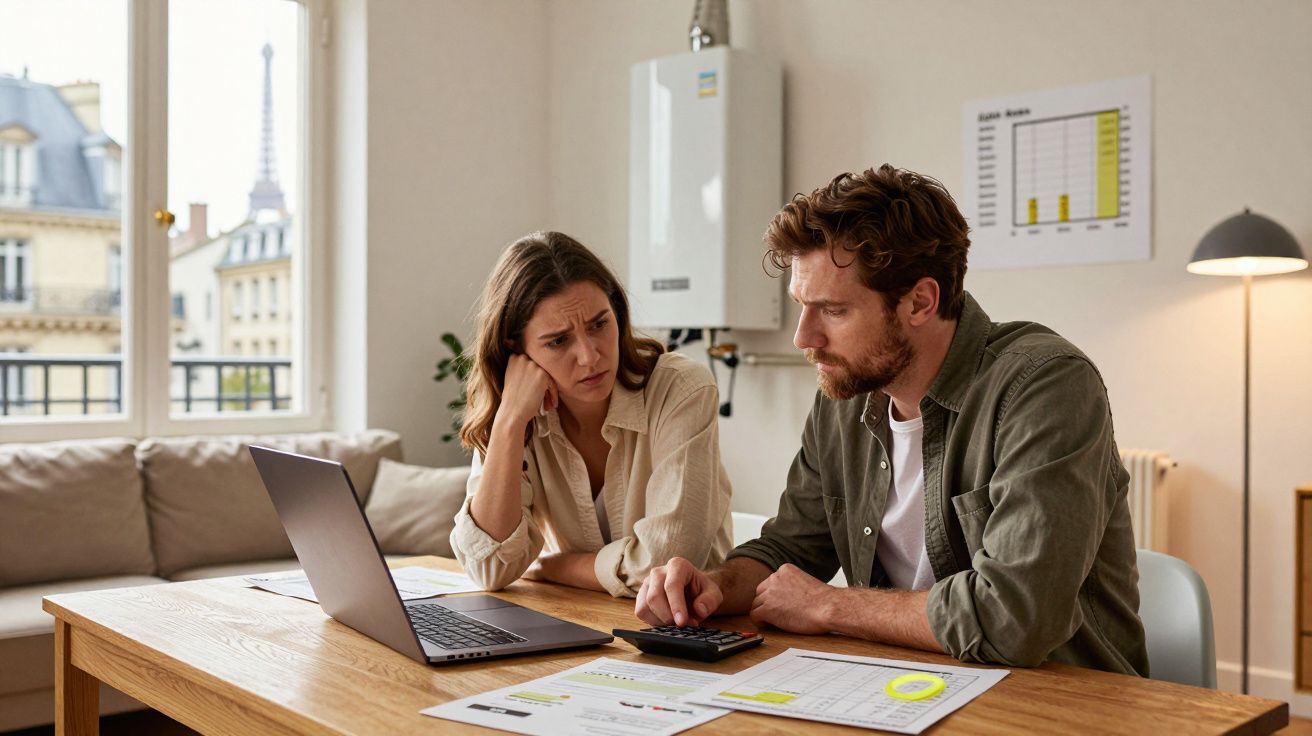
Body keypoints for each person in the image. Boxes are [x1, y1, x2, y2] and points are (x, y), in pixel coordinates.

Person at [635, 165, 1148, 675]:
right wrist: (715, 586)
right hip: (906, 685)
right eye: (802, 306)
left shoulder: (1043, 386)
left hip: (1061, 701)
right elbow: (792, 546)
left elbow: (1016, 617)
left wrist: (830, 605)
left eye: (833, 311)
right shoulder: (846, 392)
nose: (803, 338)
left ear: (920, 302)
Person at [450, 231, 734, 598]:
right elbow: (488, 568)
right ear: (516, 349)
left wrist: (555, 565)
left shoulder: (681, 389)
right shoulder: (514, 412)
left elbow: (661, 569)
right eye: (558, 341)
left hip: (690, 631)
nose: (589, 356)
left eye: (600, 324)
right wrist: (508, 424)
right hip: (581, 622)